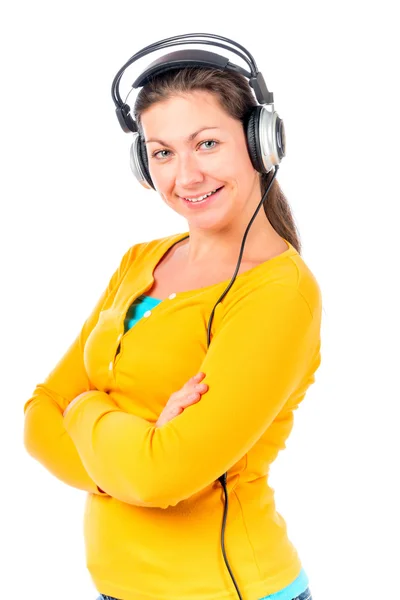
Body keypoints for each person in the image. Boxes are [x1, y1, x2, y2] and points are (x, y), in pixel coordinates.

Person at [23, 64, 321, 600]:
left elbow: (160, 476)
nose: (184, 177)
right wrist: (135, 453)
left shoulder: (277, 293)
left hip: (225, 590)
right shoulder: (141, 261)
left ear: (261, 143)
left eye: (206, 143)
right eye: (162, 152)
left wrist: (87, 410)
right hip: (116, 586)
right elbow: (39, 417)